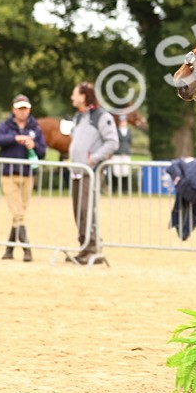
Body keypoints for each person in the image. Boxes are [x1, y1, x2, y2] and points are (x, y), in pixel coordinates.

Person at [0, 94, 47, 261]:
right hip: (9, 174)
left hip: (28, 175)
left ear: (29, 110)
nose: (22, 112)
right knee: (18, 213)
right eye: (19, 108)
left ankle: (9, 250)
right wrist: (14, 138)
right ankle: (27, 248)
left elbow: (43, 152)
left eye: (25, 108)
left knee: (19, 214)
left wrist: (34, 145)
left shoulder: (35, 128)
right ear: (13, 109)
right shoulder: (6, 126)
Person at [67, 82, 119, 266]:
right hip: (77, 171)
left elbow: (112, 142)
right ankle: (84, 247)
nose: (72, 97)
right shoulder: (78, 117)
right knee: (77, 210)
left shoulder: (102, 117)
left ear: (83, 96)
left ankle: (92, 248)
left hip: (91, 172)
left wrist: (94, 158)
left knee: (86, 210)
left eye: (74, 94)